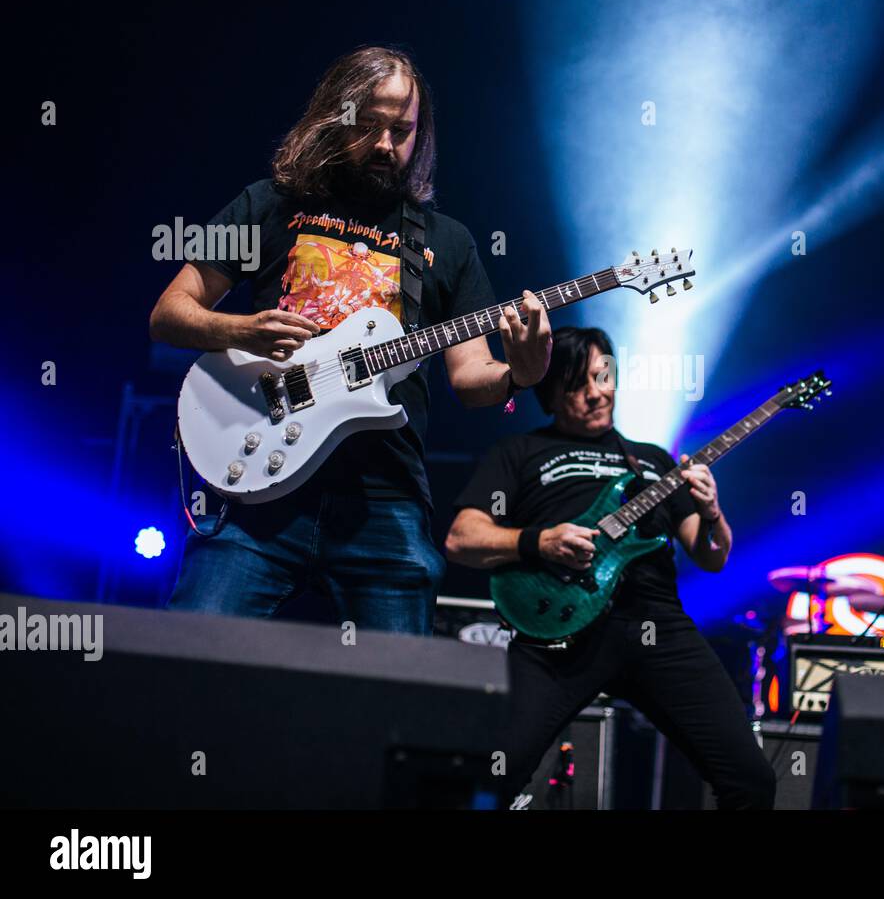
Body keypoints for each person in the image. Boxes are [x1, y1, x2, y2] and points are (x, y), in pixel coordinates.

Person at [150, 46, 552, 633]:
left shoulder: (448, 241)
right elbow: (169, 312)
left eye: (402, 130)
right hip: (262, 483)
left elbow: (472, 380)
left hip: (383, 500)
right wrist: (242, 329)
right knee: (191, 656)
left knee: (399, 700)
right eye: (370, 126)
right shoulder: (270, 206)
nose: (387, 145)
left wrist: (523, 370)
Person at [445, 326, 776, 808]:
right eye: (580, 383)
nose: (598, 392)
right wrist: (539, 541)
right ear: (550, 392)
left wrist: (711, 510)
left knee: (752, 781)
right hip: (556, 635)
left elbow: (712, 555)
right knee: (491, 774)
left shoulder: (653, 461)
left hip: (657, 627)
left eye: (604, 376)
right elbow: (460, 538)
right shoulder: (519, 453)